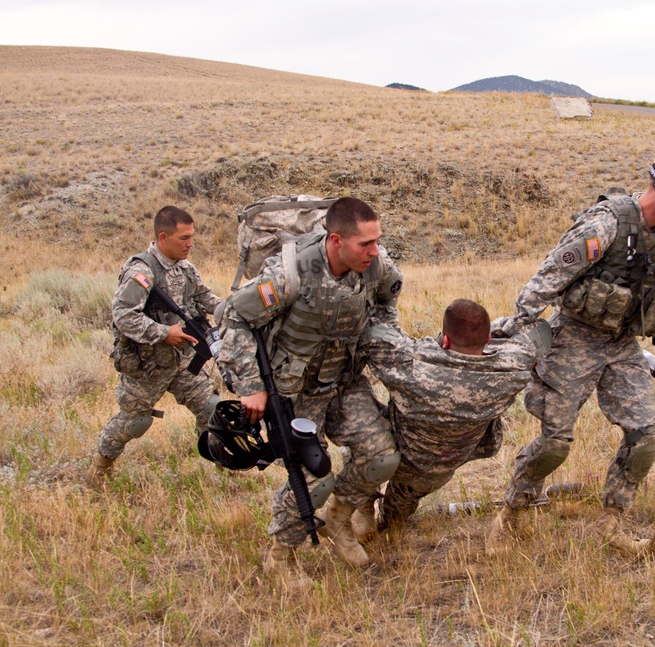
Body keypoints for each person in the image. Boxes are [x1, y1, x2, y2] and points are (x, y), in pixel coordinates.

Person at [487, 151, 655, 555]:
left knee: (645, 436)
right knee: (555, 443)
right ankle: (510, 513)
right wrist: (523, 335)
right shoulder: (607, 223)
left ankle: (613, 523)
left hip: (621, 345)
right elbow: (545, 280)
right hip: (572, 339)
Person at [217, 196, 402, 585]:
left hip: (344, 381)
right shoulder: (288, 275)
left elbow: (388, 301)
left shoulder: (377, 266)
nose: (375, 250)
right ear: (336, 241)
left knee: (383, 457)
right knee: (315, 478)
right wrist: (251, 387)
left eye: (377, 241)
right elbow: (234, 317)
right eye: (365, 244)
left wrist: (379, 338)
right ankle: (280, 556)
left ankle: (338, 519)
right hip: (295, 393)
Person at [360, 299, 550, 531]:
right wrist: (501, 333)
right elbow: (539, 330)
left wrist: (432, 344)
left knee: (359, 413)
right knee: (401, 507)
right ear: (488, 339)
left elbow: (374, 333)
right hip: (446, 465)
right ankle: (390, 523)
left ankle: (365, 505)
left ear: (446, 339)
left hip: (400, 460)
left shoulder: (411, 363)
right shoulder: (512, 368)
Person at [84, 206, 223, 488]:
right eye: (183, 238)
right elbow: (123, 316)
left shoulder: (186, 269)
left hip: (183, 361)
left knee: (213, 408)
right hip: (149, 365)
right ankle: (100, 467)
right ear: (163, 237)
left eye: (191, 236)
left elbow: (207, 298)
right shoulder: (141, 271)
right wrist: (163, 333)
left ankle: (221, 463)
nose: (190, 243)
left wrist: (236, 310)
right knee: (134, 423)